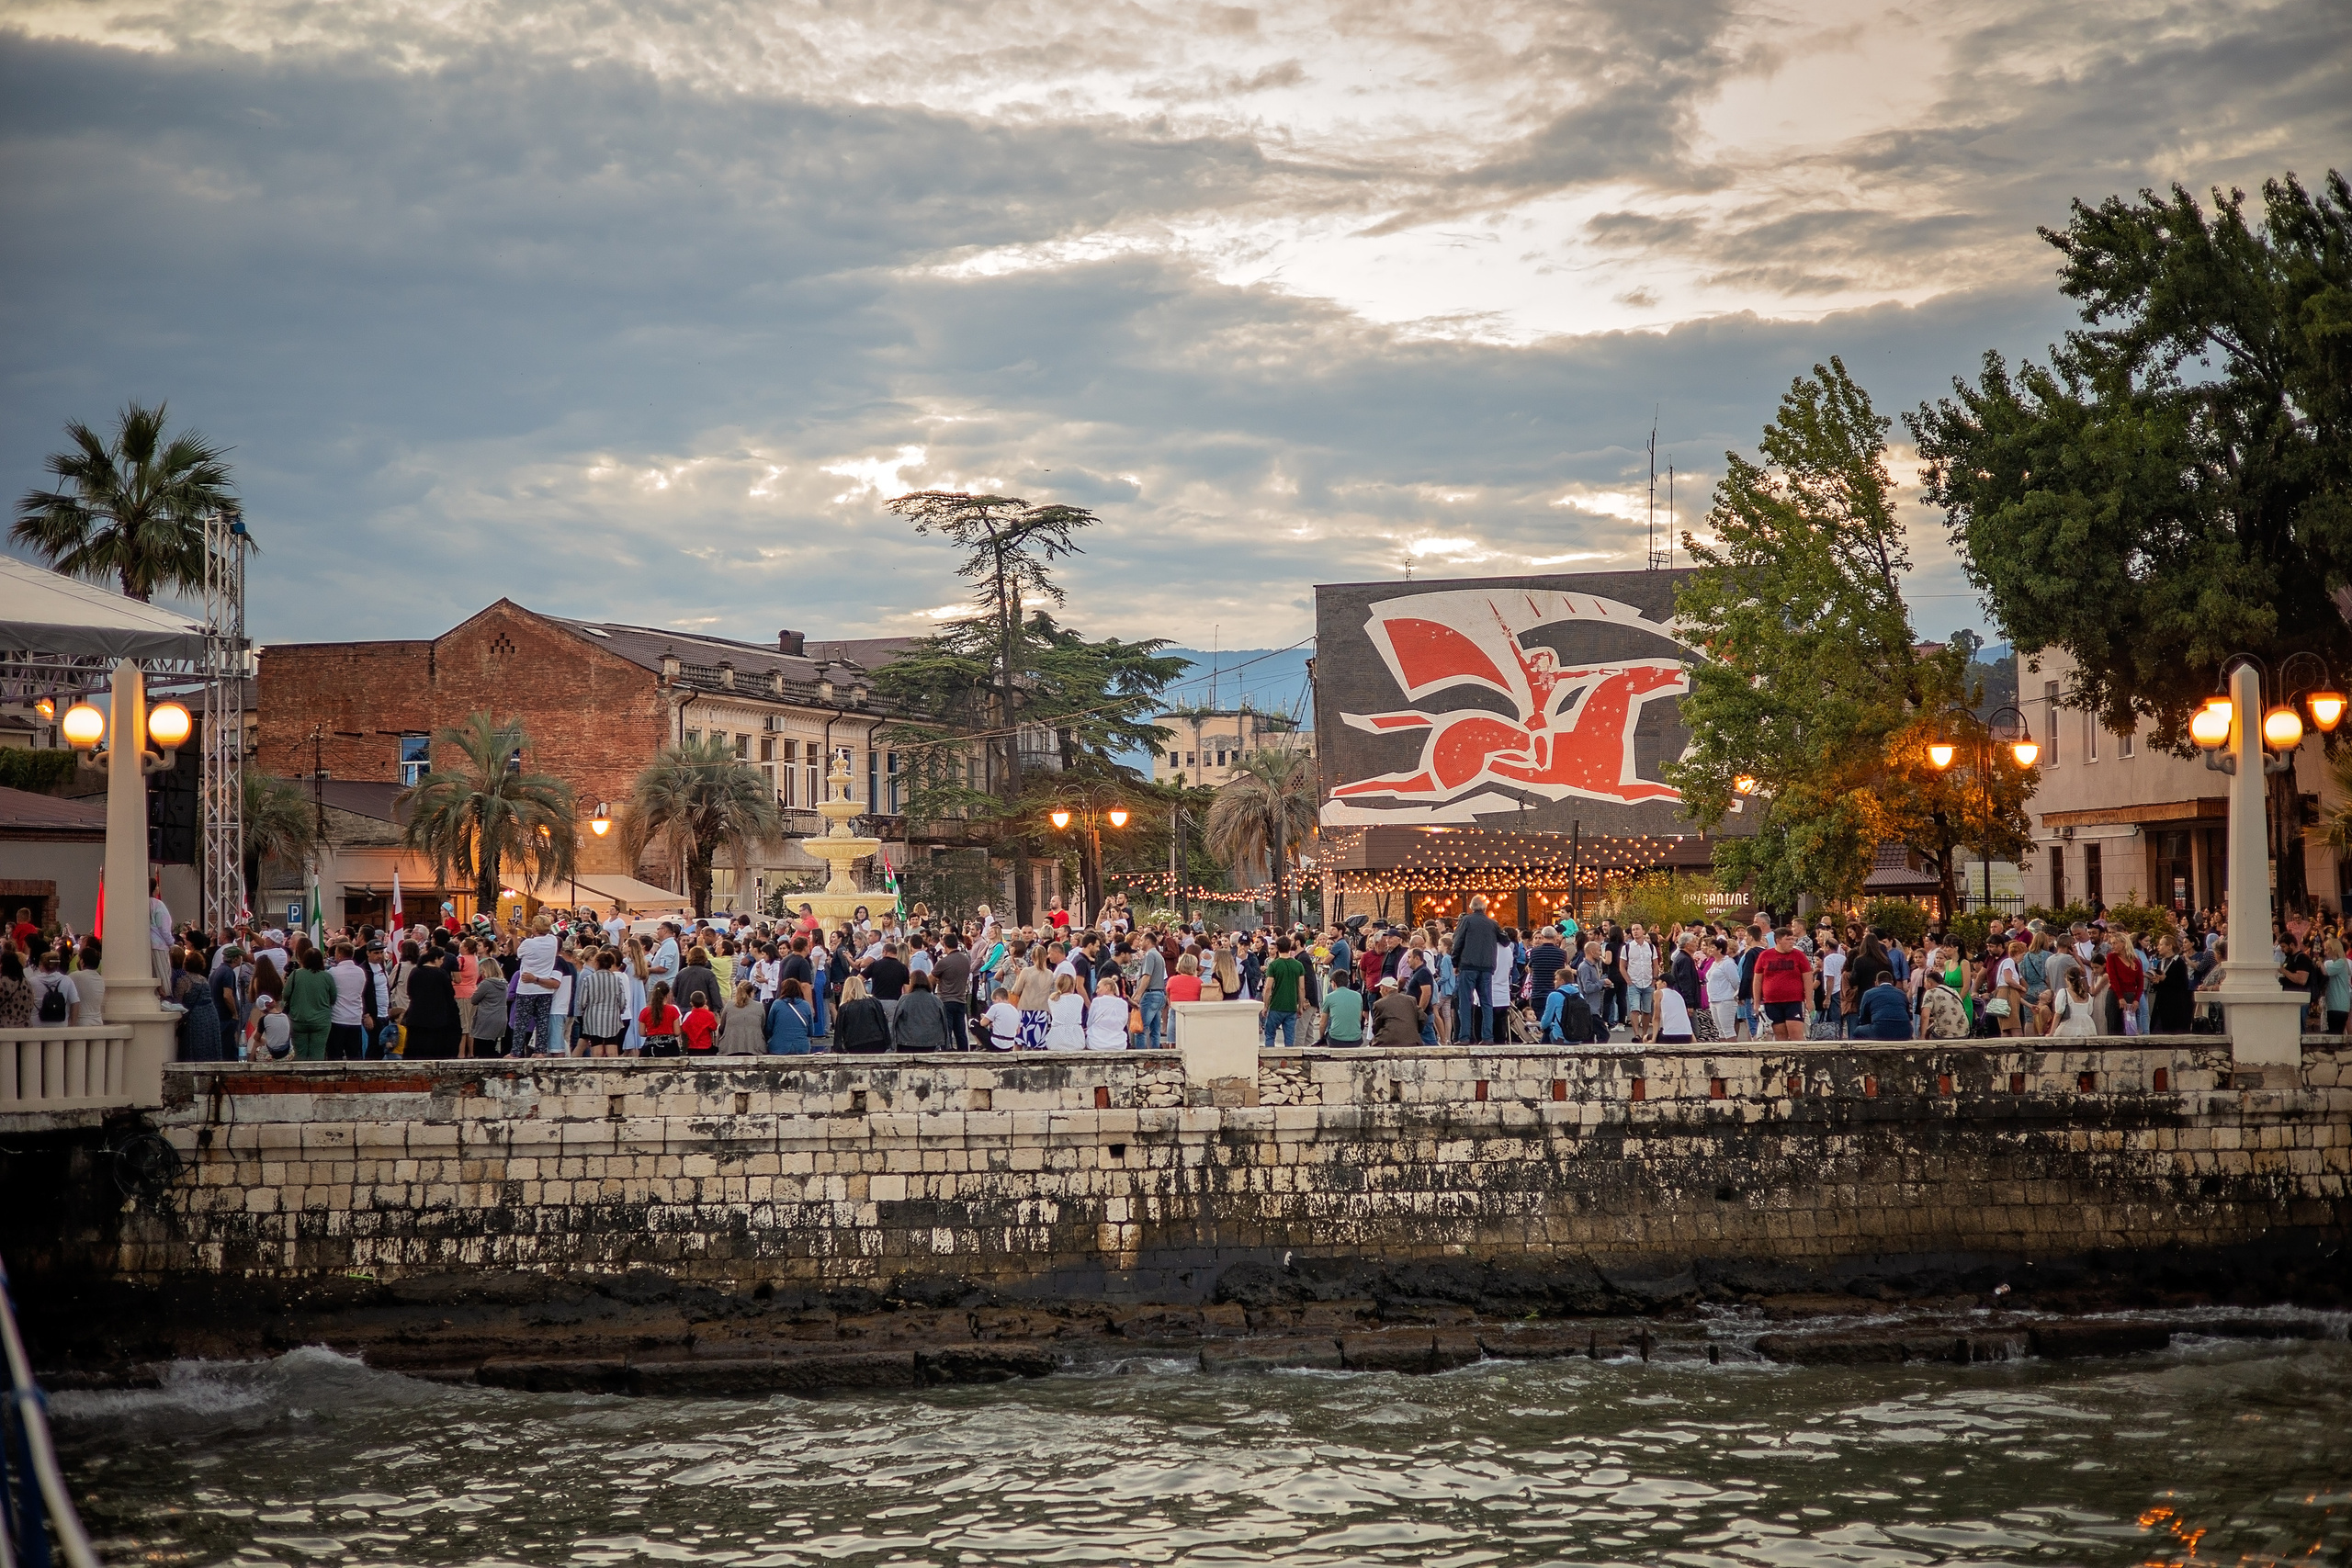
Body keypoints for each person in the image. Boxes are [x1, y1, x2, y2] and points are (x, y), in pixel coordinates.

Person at [401, 944, 462, 1059]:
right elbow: (449, 995)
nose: (442, 963)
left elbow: (410, 992)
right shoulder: (441, 974)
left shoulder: (415, 971)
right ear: (436, 959)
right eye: (441, 960)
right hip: (436, 1021)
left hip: (416, 1018)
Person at [1752, 928, 1812, 1042]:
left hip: (1794, 1001)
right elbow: (1757, 980)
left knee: (1796, 1034)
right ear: (1778, 941)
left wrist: (1809, 1000)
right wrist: (1756, 1002)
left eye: (1792, 939)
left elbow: (1808, 978)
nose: (1791, 942)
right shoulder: (1765, 955)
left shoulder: (1799, 955)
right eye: (1788, 939)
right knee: (1780, 1035)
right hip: (1772, 1002)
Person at [286, 944, 338, 1060]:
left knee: (299, 1053)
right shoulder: (327, 977)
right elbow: (333, 998)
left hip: (298, 1019)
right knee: (318, 1052)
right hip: (321, 1021)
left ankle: (300, 1071)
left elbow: (286, 995)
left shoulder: (295, 975)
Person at [1260, 936, 1306, 1048]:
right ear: (1290, 947)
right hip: (1291, 1006)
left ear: (1277, 948)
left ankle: (1270, 1056)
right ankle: (1289, 1057)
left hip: (1276, 1005)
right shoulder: (1298, 965)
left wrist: (1265, 1006)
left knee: (1270, 1035)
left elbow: (1268, 987)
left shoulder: (1273, 965)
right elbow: (1301, 988)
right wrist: (1300, 1006)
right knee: (1289, 1038)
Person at [933, 932, 975, 1050]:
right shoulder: (966, 960)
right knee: (960, 1032)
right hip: (961, 999)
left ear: (945, 945)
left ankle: (947, 1053)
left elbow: (930, 978)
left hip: (946, 1000)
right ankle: (964, 1053)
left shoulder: (943, 962)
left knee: (946, 1031)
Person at [892, 971, 951, 1052]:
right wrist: (946, 1044)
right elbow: (944, 1022)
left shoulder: (904, 999)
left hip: (906, 1041)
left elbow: (895, 1021)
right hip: (930, 1042)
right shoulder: (936, 1000)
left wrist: (893, 1043)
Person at [831, 974, 889, 1053]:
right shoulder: (874, 1001)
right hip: (876, 1041)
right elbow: (883, 1021)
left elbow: (839, 1030)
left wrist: (839, 1049)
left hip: (854, 1044)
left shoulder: (844, 1007)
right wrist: (887, 1041)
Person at [1849, 970, 1912, 1040]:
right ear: (1892, 982)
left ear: (1876, 983)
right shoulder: (1902, 994)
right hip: (1905, 1032)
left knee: (1858, 1031)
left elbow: (1863, 1017)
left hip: (1879, 1031)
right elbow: (1908, 1014)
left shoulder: (1869, 994)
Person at [765, 977, 817, 1055]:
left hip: (779, 1047)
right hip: (802, 1047)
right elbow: (811, 1032)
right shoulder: (806, 1005)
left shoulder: (777, 1004)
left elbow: (769, 1028)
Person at [28, 948, 78, 1026]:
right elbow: (75, 1002)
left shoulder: (32, 981)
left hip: (37, 1025)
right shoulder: (67, 980)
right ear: (57, 965)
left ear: (41, 965)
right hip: (60, 1025)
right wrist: (72, 1024)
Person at [2049, 964, 2098, 1037]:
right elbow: (2089, 1012)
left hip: (2069, 1024)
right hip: (2087, 1026)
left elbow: (2058, 1013)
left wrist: (2051, 1033)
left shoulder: (2064, 993)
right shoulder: (2088, 996)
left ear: (2067, 978)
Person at [1370, 975, 1419, 1045]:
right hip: (1412, 1041)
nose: (1380, 992)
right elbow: (1423, 1018)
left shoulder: (1379, 1004)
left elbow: (1376, 1027)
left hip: (1388, 1041)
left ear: (1385, 989)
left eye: (1380, 989)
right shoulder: (1411, 1000)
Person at [1085, 976, 1131, 1050]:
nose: (1096, 991)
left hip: (1096, 1043)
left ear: (1107, 987)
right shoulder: (1123, 1003)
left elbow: (1089, 1022)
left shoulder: (1097, 1001)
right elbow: (1124, 1023)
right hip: (1119, 1044)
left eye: (1098, 988)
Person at [1044, 973, 1088, 1050]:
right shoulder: (1079, 999)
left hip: (1055, 1040)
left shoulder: (1052, 1000)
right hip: (1076, 1040)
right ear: (1072, 985)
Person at [721, 980, 767, 1055]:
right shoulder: (759, 1006)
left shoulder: (729, 1005)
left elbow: (722, 1026)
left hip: (730, 1048)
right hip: (755, 1047)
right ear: (751, 992)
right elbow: (762, 1025)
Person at [1322, 968, 1364, 1045]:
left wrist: (1321, 1038)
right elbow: (1359, 1018)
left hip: (1336, 1040)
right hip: (1356, 1039)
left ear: (1333, 983)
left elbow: (1323, 1022)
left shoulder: (1329, 997)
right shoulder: (1358, 996)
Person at [981, 985, 1022, 1052]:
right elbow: (1018, 1031)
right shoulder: (1015, 1010)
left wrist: (985, 1018)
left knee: (972, 1022)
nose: (993, 1003)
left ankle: (980, 1046)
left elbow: (982, 1023)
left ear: (998, 999)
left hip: (996, 1043)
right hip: (1011, 1044)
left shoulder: (995, 1007)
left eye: (994, 1001)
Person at [1654, 979, 1695, 1044]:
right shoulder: (1678, 995)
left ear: (1664, 983)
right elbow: (1684, 1017)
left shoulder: (1658, 993)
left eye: (1658, 981)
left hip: (1669, 1036)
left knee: (1646, 1038)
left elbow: (1656, 1018)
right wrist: (1693, 1039)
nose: (1656, 983)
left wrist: (1653, 1040)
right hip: (1687, 1037)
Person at [681, 989, 720, 1055]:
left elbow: (684, 1029)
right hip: (706, 1047)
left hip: (692, 1048)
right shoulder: (709, 1015)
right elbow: (714, 1027)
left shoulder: (689, 1016)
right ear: (705, 1002)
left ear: (691, 1004)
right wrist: (707, 1011)